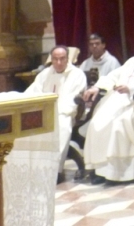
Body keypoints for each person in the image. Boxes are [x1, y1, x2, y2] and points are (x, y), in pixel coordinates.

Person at [83, 29, 134, 183]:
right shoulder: (132, 61)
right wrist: (97, 87)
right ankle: (101, 169)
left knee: (117, 126)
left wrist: (131, 89)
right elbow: (114, 76)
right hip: (117, 99)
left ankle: (117, 172)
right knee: (96, 123)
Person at [25, 45, 87, 182]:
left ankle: (54, 171)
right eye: (55, 59)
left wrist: (54, 110)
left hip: (66, 113)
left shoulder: (77, 75)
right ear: (51, 59)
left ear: (67, 58)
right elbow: (31, 92)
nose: (58, 63)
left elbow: (73, 100)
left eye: (62, 59)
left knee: (61, 127)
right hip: (43, 112)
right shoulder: (45, 74)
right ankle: (36, 168)